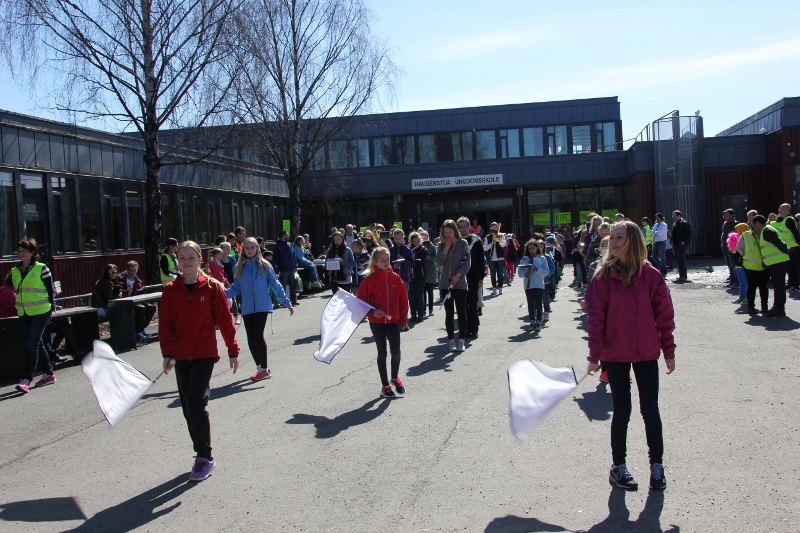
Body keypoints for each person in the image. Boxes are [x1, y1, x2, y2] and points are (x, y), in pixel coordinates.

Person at [585, 221, 676, 492]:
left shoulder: (651, 275)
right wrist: (594, 355)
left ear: (633, 241)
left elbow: (664, 315)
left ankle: (656, 466)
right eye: (612, 237)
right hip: (615, 354)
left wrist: (668, 350)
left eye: (619, 237)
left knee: (650, 410)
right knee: (622, 410)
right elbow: (595, 319)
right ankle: (619, 466)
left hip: (646, 352)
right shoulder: (602, 277)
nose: (612, 241)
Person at [159, 240, 240, 482]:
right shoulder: (171, 290)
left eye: (191, 258)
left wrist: (233, 350)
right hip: (181, 355)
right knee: (187, 407)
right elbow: (165, 325)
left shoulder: (212, 287)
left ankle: (205, 457)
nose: (186, 262)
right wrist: (168, 353)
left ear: (199, 260)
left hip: (204, 353)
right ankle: (200, 451)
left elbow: (225, 321)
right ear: (177, 261)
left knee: (196, 403)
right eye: (182, 258)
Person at [225, 237, 294, 381]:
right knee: (251, 337)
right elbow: (236, 288)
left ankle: (264, 369)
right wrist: (222, 293)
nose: (250, 250)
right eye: (247, 248)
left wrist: (286, 302)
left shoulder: (265, 265)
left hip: (262, 306)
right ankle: (260, 367)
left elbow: (275, 285)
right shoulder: (239, 267)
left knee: (258, 334)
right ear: (243, 250)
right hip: (247, 307)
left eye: (252, 247)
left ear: (257, 248)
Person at [356, 247, 409, 399]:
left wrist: (403, 319)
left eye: (388, 260)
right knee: (382, 352)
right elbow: (360, 300)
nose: (386, 263)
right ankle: (385, 385)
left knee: (396, 352)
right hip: (377, 322)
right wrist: (371, 312)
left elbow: (403, 300)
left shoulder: (396, 279)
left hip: (393, 321)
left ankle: (395, 378)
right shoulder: (369, 280)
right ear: (375, 262)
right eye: (382, 260)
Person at [12, 238, 58, 393]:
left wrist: (52, 305)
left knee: (31, 344)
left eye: (24, 251)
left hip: (41, 311)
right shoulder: (15, 271)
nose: (21, 254)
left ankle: (26, 379)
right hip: (24, 311)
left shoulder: (41, 268)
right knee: (37, 342)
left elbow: (50, 290)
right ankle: (49, 373)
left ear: (33, 252)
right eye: (19, 251)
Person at [437, 219, 471, 352]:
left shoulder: (463, 243)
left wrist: (458, 275)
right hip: (445, 284)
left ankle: (461, 340)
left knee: (461, 312)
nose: (448, 235)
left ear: (455, 231)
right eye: (445, 232)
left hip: (460, 283)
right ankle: (451, 340)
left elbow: (467, 262)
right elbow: (439, 262)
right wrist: (446, 247)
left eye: (450, 232)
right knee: (449, 313)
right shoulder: (441, 244)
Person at [751, 215, 790, 317]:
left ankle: (780, 309)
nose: (752, 227)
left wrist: (786, 254)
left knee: (779, 286)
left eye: (753, 224)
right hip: (776, 262)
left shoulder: (767, 230)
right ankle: (776, 307)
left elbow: (781, 244)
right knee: (777, 286)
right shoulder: (767, 230)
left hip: (778, 262)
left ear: (758, 223)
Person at [458, 217, 485, 338]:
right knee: (462, 306)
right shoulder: (456, 241)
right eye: (460, 227)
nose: (462, 229)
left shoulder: (476, 241)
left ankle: (474, 328)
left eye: (464, 226)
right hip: (460, 277)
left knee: (472, 304)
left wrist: (481, 277)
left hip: (473, 277)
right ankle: (465, 329)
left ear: (468, 227)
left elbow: (481, 260)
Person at [118, 260, 157, 340]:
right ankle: (138, 331)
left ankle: (141, 328)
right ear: (127, 270)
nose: (133, 273)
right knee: (141, 308)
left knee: (151, 307)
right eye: (131, 270)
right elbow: (121, 293)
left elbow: (141, 294)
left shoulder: (137, 281)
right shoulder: (121, 279)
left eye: (135, 270)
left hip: (136, 301)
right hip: (125, 302)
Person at [518, 239, 548, 331]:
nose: (531, 250)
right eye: (529, 249)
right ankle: (532, 321)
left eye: (533, 248)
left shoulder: (542, 258)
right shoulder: (524, 259)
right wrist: (525, 274)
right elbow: (519, 272)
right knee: (530, 303)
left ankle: (539, 321)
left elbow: (546, 272)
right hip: (528, 285)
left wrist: (536, 268)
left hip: (538, 284)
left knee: (538, 303)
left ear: (537, 248)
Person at [774, 203, 800, 291]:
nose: (779, 211)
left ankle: (795, 285)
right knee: (789, 267)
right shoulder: (786, 219)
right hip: (789, 247)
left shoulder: (789, 220)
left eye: (780, 209)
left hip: (792, 247)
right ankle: (790, 284)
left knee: (793, 267)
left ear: (785, 210)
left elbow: (795, 233)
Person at [273, 230, 298, 306]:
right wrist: (282, 264)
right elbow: (275, 258)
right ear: (283, 235)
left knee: (292, 284)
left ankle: (294, 299)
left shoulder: (289, 244)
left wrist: (295, 265)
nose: (288, 235)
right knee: (283, 285)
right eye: (287, 234)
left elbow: (293, 255)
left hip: (291, 267)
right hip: (283, 269)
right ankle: (282, 301)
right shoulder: (277, 246)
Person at [408, 231, 428, 322]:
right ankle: (413, 314)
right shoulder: (409, 249)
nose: (416, 243)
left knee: (419, 295)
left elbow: (422, 261)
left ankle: (420, 314)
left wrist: (412, 261)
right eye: (414, 242)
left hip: (420, 275)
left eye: (418, 241)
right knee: (411, 295)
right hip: (410, 275)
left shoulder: (423, 249)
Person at [728, 223, 750, 306]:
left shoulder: (746, 238)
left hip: (743, 264)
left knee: (746, 282)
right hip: (737, 264)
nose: (736, 231)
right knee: (741, 282)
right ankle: (741, 297)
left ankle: (747, 298)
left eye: (737, 230)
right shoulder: (737, 238)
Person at [483, 222, 507, 295]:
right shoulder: (488, 237)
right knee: (493, 274)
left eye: (495, 228)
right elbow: (485, 248)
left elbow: (503, 244)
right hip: (491, 258)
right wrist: (491, 244)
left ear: (498, 228)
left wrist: (499, 240)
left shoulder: (501, 235)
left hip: (500, 258)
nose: (494, 230)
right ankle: (494, 288)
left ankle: (500, 288)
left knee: (500, 273)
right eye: (492, 228)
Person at [219, 242, 240, 323]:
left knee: (233, 300)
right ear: (222, 249)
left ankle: (236, 317)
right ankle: (225, 318)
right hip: (222, 282)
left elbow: (236, 269)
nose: (229, 251)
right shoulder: (218, 260)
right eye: (227, 249)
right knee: (224, 300)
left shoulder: (232, 258)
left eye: (229, 249)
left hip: (231, 280)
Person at [389, 229, 414, 296]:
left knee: (404, 296)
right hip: (393, 277)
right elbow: (387, 263)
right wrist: (393, 266)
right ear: (393, 238)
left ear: (403, 238)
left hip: (404, 276)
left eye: (399, 239)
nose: (398, 241)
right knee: (394, 296)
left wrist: (404, 260)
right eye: (396, 239)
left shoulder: (407, 249)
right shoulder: (391, 250)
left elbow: (412, 264)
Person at [420, 230, 438, 317]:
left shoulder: (432, 247)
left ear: (428, 237)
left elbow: (436, 258)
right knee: (422, 293)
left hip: (430, 272)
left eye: (425, 237)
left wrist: (428, 257)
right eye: (422, 238)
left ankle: (431, 309)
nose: (424, 239)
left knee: (430, 292)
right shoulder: (419, 247)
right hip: (422, 272)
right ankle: (423, 309)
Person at [670, 210, 691, 282]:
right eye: (673, 216)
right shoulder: (675, 224)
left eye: (675, 216)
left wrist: (684, 241)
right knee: (679, 259)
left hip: (682, 244)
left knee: (681, 259)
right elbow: (673, 234)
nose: (673, 217)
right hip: (676, 244)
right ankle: (681, 275)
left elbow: (689, 234)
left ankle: (683, 275)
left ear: (679, 216)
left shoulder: (685, 223)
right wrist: (671, 241)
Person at [720, 209, 738, 286]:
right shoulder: (726, 223)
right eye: (725, 214)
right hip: (724, 245)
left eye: (727, 214)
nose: (725, 216)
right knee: (729, 264)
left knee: (732, 264)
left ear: (732, 215)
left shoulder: (735, 223)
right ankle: (732, 279)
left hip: (730, 246)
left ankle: (735, 281)